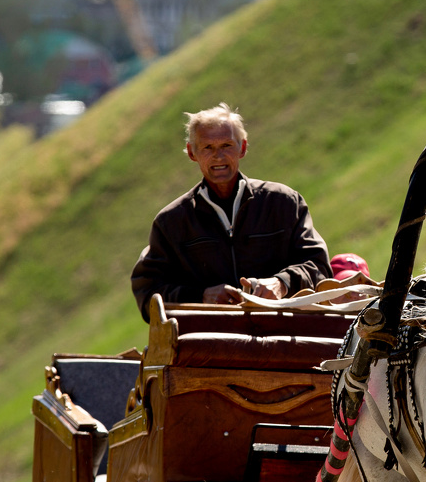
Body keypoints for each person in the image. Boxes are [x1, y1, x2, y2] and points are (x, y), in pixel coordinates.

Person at [130, 103, 331, 320]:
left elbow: (319, 267)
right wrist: (201, 297)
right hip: (211, 346)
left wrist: (281, 283)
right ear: (192, 152)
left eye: (226, 145)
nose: (218, 156)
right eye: (207, 147)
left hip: (283, 336)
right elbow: (147, 294)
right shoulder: (171, 222)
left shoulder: (284, 202)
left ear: (242, 148)